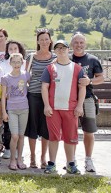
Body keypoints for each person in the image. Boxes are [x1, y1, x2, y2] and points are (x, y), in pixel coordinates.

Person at [41, 40, 86, 175]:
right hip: (53, 109)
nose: (61, 50)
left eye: (63, 48)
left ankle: (71, 164)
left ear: (68, 50)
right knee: (53, 137)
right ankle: (52, 163)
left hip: (71, 109)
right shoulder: (50, 68)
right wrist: (47, 105)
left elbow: (82, 88)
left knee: (70, 138)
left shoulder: (77, 68)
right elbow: (44, 87)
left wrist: (79, 106)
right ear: (55, 51)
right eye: (58, 48)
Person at [70, 32, 103, 173]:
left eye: (81, 42)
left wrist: (89, 80)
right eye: (76, 42)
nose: (79, 45)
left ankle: (88, 159)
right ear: (71, 44)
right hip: (69, 100)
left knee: (88, 131)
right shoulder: (67, 58)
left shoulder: (93, 59)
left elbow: (100, 78)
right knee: (70, 131)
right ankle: (71, 160)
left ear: (85, 44)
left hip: (88, 99)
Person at [24, 29, 56, 169]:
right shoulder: (31, 57)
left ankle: (43, 157)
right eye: (41, 39)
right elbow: (25, 77)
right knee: (33, 127)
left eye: (46, 39)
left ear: (50, 41)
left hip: (49, 98)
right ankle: (32, 157)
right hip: (33, 95)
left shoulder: (55, 57)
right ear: (37, 41)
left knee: (46, 129)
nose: (44, 41)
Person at [1, 53, 30, 170]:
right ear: (10, 63)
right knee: (14, 136)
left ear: (22, 63)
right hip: (12, 109)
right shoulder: (5, 78)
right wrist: (4, 112)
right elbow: (3, 96)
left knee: (22, 136)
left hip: (24, 108)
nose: (16, 64)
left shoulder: (26, 75)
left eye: (19, 62)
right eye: (14, 62)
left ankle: (20, 159)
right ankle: (12, 159)